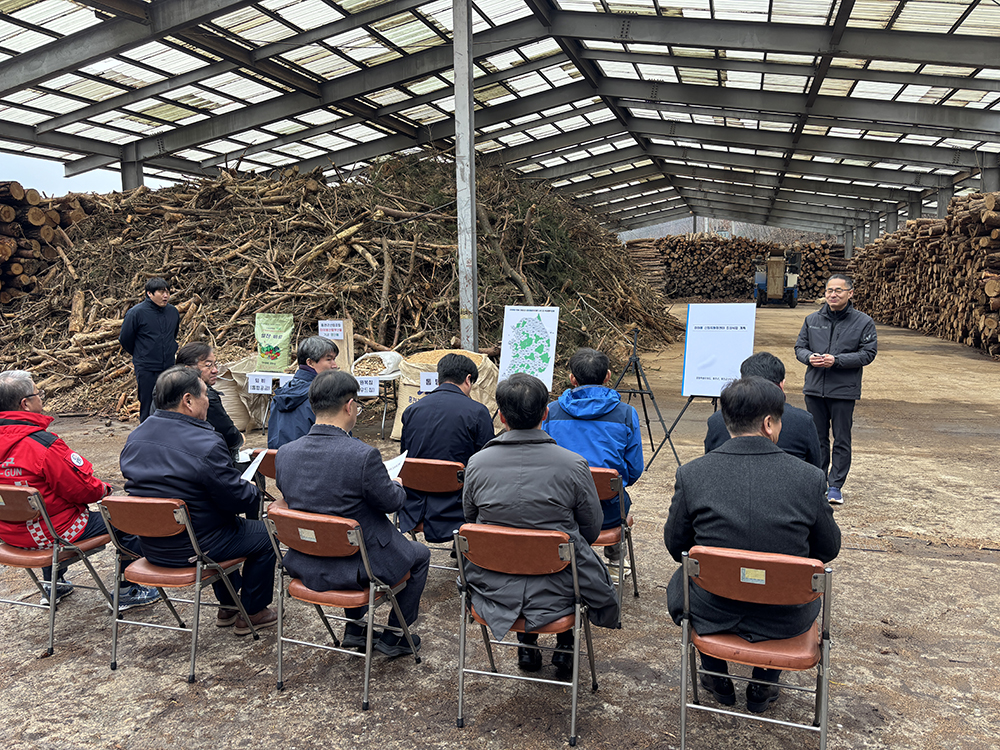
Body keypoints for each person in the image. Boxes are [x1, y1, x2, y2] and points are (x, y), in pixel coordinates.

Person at [664, 376, 841, 713]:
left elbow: (677, 546)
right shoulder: (808, 478)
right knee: (788, 575)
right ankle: (764, 681)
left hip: (712, 608)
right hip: (786, 613)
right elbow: (828, 547)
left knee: (683, 580)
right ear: (769, 423)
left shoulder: (693, 474)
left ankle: (714, 672)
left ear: (727, 421)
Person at [463, 373, 620, 677]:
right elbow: (591, 528)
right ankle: (564, 645)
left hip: (494, 584)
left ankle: (527, 645)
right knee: (567, 557)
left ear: (502, 416)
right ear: (546, 414)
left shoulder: (477, 463)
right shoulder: (573, 464)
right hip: (560, 585)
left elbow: (471, 520)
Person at [275, 370, 429, 656]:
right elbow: (391, 503)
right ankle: (395, 635)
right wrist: (396, 484)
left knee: (342, 536)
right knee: (420, 555)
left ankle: (355, 628)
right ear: (349, 405)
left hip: (306, 558)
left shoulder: (285, 453)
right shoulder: (362, 456)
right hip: (359, 566)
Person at [119, 366, 277, 635]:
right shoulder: (205, 442)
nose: (209, 401)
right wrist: (251, 489)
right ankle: (252, 610)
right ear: (188, 400)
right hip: (196, 547)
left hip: (151, 545)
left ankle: (229, 605)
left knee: (214, 524)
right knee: (268, 533)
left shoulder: (135, 437)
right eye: (206, 395)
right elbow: (238, 500)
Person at [0, 370, 160, 611]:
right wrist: (105, 489)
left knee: (42, 509)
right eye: (37, 393)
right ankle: (129, 589)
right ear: (25, 404)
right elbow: (83, 489)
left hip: (10, 535)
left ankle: (53, 583)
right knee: (127, 521)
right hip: (52, 535)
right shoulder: (43, 445)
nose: (41, 397)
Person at [542, 348, 643, 553]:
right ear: (607, 376)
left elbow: (543, 460)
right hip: (609, 515)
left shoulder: (550, 412)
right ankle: (615, 561)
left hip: (561, 511)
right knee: (616, 494)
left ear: (572, 379)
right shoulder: (626, 414)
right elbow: (634, 469)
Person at [794, 273, 878, 505]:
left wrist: (837, 361)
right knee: (817, 438)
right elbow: (799, 347)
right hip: (814, 388)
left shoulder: (863, 322)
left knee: (841, 438)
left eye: (838, 290)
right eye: (829, 290)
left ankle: (835, 486)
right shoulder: (812, 319)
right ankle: (818, 482)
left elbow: (868, 353)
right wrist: (809, 357)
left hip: (843, 390)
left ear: (850, 293)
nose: (833, 294)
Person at [399, 353, 494, 543]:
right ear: (468, 379)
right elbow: (487, 464)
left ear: (439, 377)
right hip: (457, 509)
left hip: (415, 507)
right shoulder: (477, 412)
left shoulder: (412, 410)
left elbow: (405, 457)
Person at [704, 351, 822, 468]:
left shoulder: (717, 420)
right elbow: (815, 467)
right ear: (782, 384)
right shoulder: (803, 421)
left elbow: (709, 463)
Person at [119, 277, 179, 422]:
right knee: (148, 402)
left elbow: (173, 334)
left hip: (168, 366)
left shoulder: (173, 312)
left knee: (169, 402)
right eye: (161, 292)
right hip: (147, 367)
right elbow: (125, 339)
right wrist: (142, 353)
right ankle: (147, 434)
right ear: (149, 294)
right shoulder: (136, 313)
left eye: (167, 292)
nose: (165, 296)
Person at [175, 342, 243, 463]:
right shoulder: (204, 398)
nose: (215, 370)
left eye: (215, 365)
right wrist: (239, 439)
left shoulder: (162, 390)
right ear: (188, 369)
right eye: (208, 365)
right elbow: (228, 435)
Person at [267, 336, 339, 449]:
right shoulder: (323, 394)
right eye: (329, 359)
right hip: (312, 461)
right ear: (310, 362)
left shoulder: (283, 391)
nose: (335, 365)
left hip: (280, 461)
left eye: (334, 359)